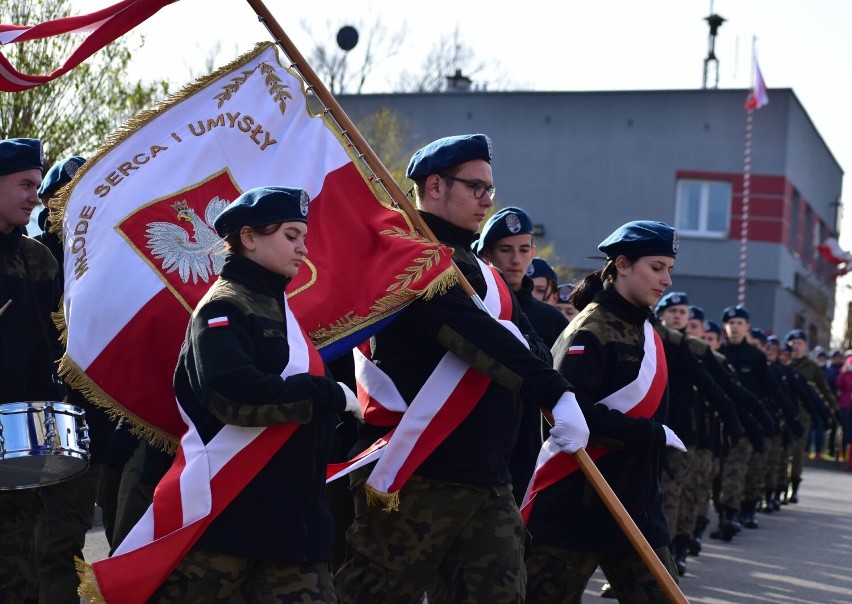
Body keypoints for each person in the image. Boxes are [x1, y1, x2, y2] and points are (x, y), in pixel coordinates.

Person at [335, 134, 589, 603]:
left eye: (490, 188)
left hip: (488, 478)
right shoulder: (409, 258)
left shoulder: (480, 268)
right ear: (435, 185)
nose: (488, 200)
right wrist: (553, 392)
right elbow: (474, 335)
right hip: (417, 478)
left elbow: (527, 344)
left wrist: (562, 392)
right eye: (476, 187)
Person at [150, 186, 361, 603]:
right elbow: (235, 396)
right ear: (248, 237)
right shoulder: (222, 309)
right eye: (289, 236)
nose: (303, 248)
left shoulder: (277, 307)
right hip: (230, 526)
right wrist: (328, 394)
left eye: (304, 236)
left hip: (294, 526)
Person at [524, 220, 685, 603]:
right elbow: (567, 411)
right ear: (623, 264)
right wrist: (652, 434)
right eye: (657, 267)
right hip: (576, 507)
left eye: (669, 270)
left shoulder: (644, 328)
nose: (666, 281)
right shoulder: (590, 330)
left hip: (637, 507)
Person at [0, 138, 65, 603]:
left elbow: (55, 348)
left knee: (18, 571)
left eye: (37, 186)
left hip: (19, 441)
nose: (34, 197)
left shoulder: (38, 259)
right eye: (24, 184)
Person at [473, 206, 569, 505]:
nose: (516, 260)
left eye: (524, 249)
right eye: (505, 249)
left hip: (529, 443)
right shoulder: (474, 304)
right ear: (487, 253)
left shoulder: (550, 320)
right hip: (476, 442)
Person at [785, 329, 837, 502]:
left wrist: (833, 409)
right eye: (793, 343)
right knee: (782, 450)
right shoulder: (784, 363)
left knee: (798, 451)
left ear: (805, 345)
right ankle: (779, 486)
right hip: (783, 413)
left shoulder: (811, 367)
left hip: (802, 414)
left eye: (799, 343)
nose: (796, 347)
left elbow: (824, 389)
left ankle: (794, 486)